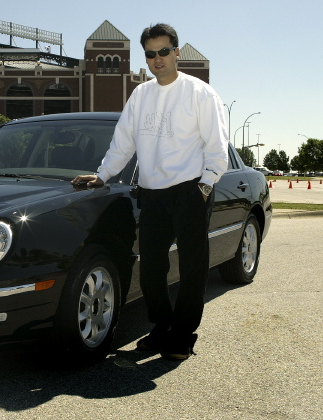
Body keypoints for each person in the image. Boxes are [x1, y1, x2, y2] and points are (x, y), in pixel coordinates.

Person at [71, 23, 229, 360]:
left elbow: (217, 146)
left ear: (176, 52)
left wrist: (205, 185)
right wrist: (102, 175)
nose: (158, 59)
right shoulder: (141, 95)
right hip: (152, 193)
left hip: (190, 190)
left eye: (164, 51)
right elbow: (123, 143)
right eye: (150, 54)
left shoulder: (199, 93)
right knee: (152, 268)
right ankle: (161, 328)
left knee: (192, 267)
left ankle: (182, 336)